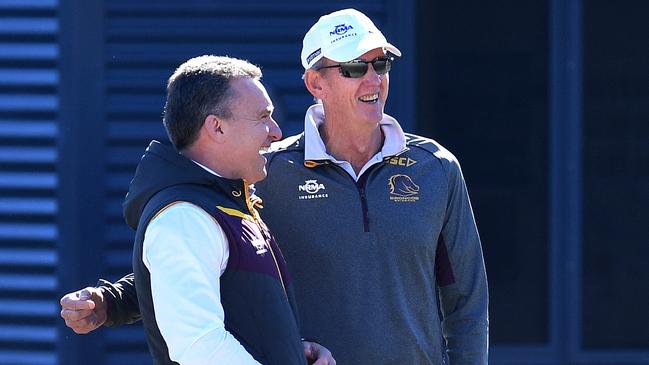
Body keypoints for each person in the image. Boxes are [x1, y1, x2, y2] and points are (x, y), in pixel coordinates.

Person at [61, 8, 488, 364]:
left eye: (382, 64)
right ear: (315, 83)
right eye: (355, 67)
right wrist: (112, 301)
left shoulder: (435, 168)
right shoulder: (266, 169)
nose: (373, 79)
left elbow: (467, 301)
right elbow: (200, 258)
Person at [62, 55, 335, 365]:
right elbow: (198, 346)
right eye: (263, 117)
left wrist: (289, 350)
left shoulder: (225, 202)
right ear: (216, 127)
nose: (275, 132)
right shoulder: (184, 216)